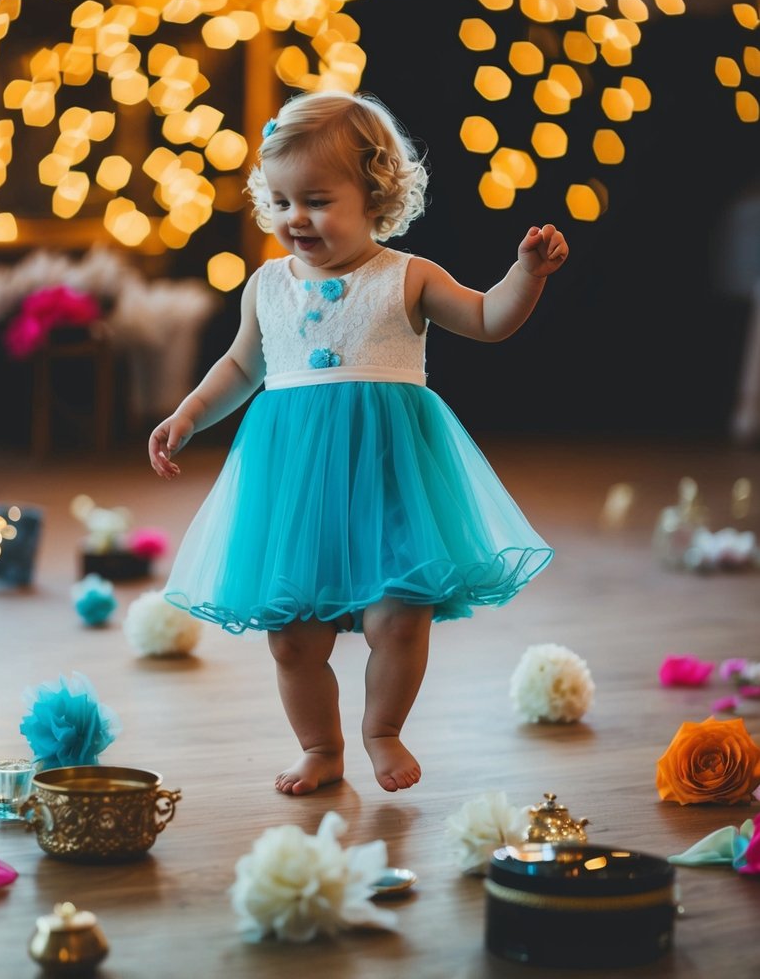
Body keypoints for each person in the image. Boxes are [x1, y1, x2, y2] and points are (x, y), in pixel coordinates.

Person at [149, 90, 568, 797]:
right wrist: (188, 412)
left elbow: (488, 319)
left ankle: (382, 729)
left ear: (374, 195)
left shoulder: (407, 277)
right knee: (292, 636)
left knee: (399, 617)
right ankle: (319, 746)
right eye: (280, 202)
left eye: (315, 200)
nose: (295, 219)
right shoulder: (267, 288)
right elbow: (241, 367)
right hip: (293, 491)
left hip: (389, 480)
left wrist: (525, 275)